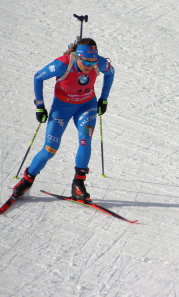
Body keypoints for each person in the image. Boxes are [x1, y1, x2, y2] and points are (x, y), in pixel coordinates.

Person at [12, 38, 115, 204]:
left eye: (93, 62)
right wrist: (40, 106)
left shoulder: (98, 62)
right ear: (78, 56)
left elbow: (111, 73)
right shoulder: (62, 64)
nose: (90, 66)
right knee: (50, 149)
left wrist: (104, 99)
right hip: (62, 108)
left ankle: (78, 184)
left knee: (85, 140)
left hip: (86, 106)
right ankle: (27, 180)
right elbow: (38, 77)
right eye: (86, 62)